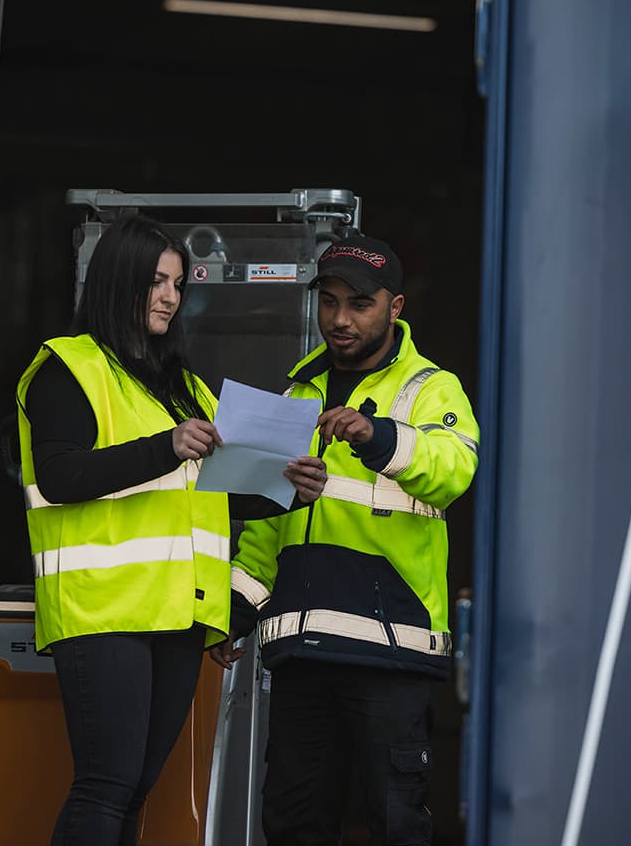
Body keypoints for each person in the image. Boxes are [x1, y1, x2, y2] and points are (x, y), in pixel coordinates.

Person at [16, 213, 321, 846]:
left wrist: (289, 491)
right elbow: (60, 478)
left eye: (178, 285)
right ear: (116, 282)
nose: (169, 298)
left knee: (132, 790)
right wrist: (167, 446)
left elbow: (211, 496)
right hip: (104, 612)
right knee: (106, 785)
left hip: (177, 617)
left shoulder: (183, 386)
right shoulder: (67, 368)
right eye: (156, 282)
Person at [213, 233, 480, 846]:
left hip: (391, 651)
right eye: (328, 301)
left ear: (396, 307)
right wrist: (229, 612)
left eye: (358, 304)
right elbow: (262, 533)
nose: (339, 319)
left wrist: (376, 435)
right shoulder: (291, 395)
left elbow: (451, 472)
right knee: (294, 825)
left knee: (396, 825)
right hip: (302, 653)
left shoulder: (430, 389)